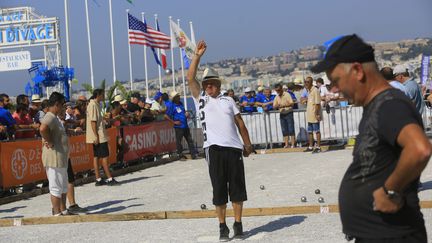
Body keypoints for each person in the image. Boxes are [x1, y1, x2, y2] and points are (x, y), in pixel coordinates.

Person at [311, 34, 431, 243]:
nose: (335, 89)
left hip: (392, 234)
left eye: (336, 81)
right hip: (378, 234)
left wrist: (390, 190)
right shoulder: (376, 106)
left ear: (357, 70)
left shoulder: (390, 104)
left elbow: (420, 148)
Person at [187, 40, 253, 241]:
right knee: (219, 190)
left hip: (233, 148)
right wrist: (197, 56)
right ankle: (222, 227)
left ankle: (238, 224)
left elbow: (240, 123)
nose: (208, 86)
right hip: (213, 149)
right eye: (206, 84)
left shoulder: (228, 100)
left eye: (211, 84)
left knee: (237, 189)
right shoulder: (201, 100)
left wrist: (247, 144)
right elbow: (190, 78)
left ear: (217, 85)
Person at [39, 92, 70, 216]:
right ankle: (57, 212)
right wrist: (49, 141)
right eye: (62, 105)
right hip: (54, 158)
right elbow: (42, 128)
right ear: (57, 104)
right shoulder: (50, 116)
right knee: (56, 187)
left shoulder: (55, 117)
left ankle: (63, 210)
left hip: (60, 157)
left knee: (62, 186)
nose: (64, 107)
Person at [86, 89, 119, 186]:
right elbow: (93, 122)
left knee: (97, 156)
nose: (104, 96)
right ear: (98, 95)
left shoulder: (95, 104)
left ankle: (98, 178)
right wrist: (96, 136)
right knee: (104, 157)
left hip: (98, 134)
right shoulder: (93, 105)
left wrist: (107, 119)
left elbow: (96, 119)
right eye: (102, 95)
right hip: (99, 135)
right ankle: (109, 178)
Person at [165, 91, 198, 160]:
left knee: (189, 140)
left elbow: (183, 111)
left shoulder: (180, 103)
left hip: (185, 125)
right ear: (174, 98)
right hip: (178, 127)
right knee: (179, 141)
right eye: (178, 96)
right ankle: (180, 155)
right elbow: (166, 116)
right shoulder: (171, 105)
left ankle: (193, 154)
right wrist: (174, 122)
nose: (179, 97)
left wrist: (186, 114)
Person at [273, 83, 296, 148]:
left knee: (291, 129)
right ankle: (286, 144)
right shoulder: (276, 97)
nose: (278, 92)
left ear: (281, 89)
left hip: (288, 113)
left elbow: (292, 103)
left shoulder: (287, 94)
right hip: (282, 114)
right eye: (276, 90)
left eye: (279, 90)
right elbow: (274, 106)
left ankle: (293, 144)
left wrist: (284, 105)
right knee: (284, 130)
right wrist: (276, 106)